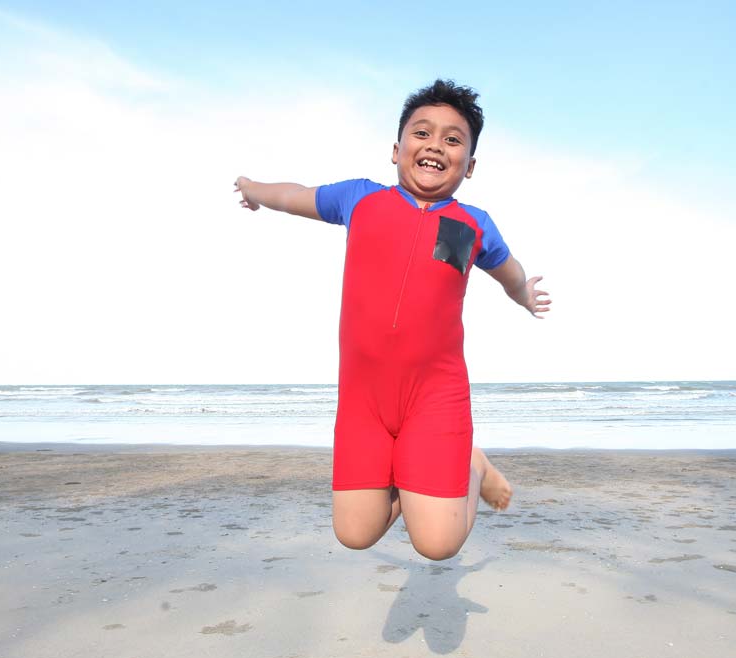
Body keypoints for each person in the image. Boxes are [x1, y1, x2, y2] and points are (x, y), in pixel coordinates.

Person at [234, 79, 551, 560]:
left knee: (437, 545)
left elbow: (510, 271)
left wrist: (523, 294)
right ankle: (419, 475)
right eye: (422, 133)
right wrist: (253, 189)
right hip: (364, 402)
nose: (435, 146)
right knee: (355, 535)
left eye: (453, 139)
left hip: (435, 397)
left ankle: (473, 467)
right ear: (396, 149)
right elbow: (295, 195)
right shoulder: (360, 199)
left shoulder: (473, 225)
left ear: (470, 165)